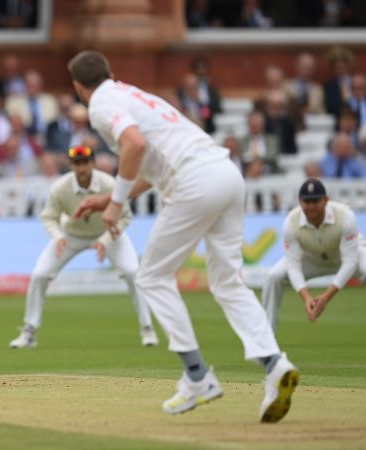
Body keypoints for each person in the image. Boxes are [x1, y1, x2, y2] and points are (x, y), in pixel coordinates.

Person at [67, 51, 298, 423]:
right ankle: (275, 364)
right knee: (228, 282)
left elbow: (134, 145)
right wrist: (110, 197)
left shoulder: (101, 104)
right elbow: (151, 159)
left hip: (194, 183)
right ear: (111, 72)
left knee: (151, 276)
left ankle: (197, 377)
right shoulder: (131, 93)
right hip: (226, 174)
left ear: (78, 87)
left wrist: (116, 204)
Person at [9, 145, 157, 349]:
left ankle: (147, 328)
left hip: (107, 234)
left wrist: (104, 241)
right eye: (77, 164)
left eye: (85, 163)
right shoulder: (61, 187)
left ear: (93, 163)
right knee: (39, 275)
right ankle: (29, 331)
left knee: (132, 272)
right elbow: (48, 217)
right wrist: (58, 236)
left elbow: (125, 217)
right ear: (71, 165)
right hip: (71, 235)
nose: (81, 168)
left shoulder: (108, 184)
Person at [262, 179, 366, 330]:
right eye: (307, 201)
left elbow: (350, 261)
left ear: (325, 200)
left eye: (315, 201)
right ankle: (266, 338)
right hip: (311, 258)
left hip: (348, 255)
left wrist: (325, 298)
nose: (311, 206)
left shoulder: (345, 216)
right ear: (300, 202)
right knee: (274, 276)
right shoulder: (291, 222)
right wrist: (306, 298)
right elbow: (293, 266)